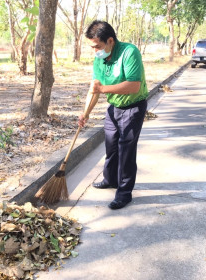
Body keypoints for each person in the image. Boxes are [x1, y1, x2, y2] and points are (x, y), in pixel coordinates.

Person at [78, 20, 148, 210]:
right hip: (114, 108)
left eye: (97, 47)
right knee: (111, 146)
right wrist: (85, 114)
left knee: (126, 150)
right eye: (92, 48)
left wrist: (103, 88)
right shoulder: (100, 58)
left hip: (133, 107)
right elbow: (95, 88)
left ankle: (124, 193)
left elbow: (134, 86)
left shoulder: (129, 52)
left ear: (110, 41)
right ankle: (110, 179)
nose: (95, 51)